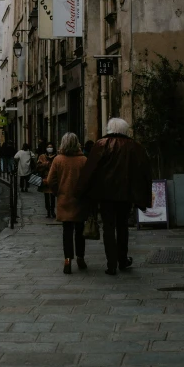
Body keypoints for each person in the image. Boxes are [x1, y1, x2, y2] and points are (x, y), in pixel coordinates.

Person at [78, 117, 152, 276]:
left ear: (109, 129)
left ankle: (111, 264)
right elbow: (144, 170)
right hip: (125, 194)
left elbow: (90, 170)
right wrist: (142, 194)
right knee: (123, 226)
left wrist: (84, 192)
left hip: (105, 195)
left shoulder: (100, 145)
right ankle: (123, 259)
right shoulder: (135, 146)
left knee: (108, 228)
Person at [47, 132, 88, 275]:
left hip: (64, 200)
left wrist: (58, 192)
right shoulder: (83, 160)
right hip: (79, 200)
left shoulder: (58, 160)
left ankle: (67, 260)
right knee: (80, 230)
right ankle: (81, 257)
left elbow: (51, 180)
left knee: (67, 231)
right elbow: (88, 180)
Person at [37, 143, 57, 218]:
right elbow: (38, 167)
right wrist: (45, 164)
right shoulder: (42, 157)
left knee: (52, 196)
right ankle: (48, 211)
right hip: (44, 179)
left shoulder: (56, 157)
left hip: (53, 179)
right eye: (48, 147)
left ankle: (52, 211)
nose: (50, 148)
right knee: (46, 196)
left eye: (51, 147)